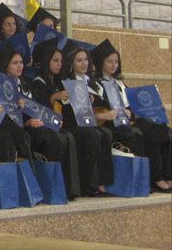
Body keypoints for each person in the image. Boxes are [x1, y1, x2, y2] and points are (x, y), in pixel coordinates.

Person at [90, 39, 171, 193]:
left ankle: (166, 176)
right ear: (101, 62)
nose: (113, 65)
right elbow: (96, 110)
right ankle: (155, 177)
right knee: (145, 131)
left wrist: (135, 113)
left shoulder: (120, 84)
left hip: (127, 121)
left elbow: (134, 108)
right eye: (109, 61)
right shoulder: (95, 85)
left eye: (116, 61)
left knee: (164, 129)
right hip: (110, 124)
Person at [58, 44, 115, 197]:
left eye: (85, 60)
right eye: (79, 60)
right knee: (92, 136)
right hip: (73, 124)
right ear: (71, 64)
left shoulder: (92, 82)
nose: (83, 63)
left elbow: (101, 106)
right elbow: (66, 112)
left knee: (106, 133)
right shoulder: (66, 82)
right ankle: (86, 184)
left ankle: (102, 182)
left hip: (90, 123)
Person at [28, 39, 81, 199]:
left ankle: (69, 188)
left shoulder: (57, 82)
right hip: (40, 125)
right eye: (55, 60)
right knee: (57, 139)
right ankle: (54, 187)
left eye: (61, 61)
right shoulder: (38, 83)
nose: (59, 64)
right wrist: (53, 97)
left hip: (56, 124)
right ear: (47, 61)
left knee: (69, 137)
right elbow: (39, 109)